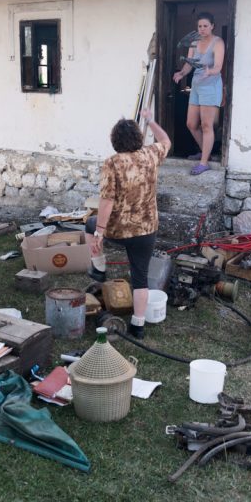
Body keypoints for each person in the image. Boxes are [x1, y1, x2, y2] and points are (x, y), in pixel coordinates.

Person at [85, 109, 171, 339]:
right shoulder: (151, 155)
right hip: (146, 229)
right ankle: (138, 326)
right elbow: (165, 140)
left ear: (115, 141)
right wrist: (151, 120)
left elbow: (107, 199)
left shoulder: (112, 163)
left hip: (119, 229)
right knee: (140, 277)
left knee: (88, 224)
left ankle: (99, 267)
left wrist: (99, 233)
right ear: (138, 138)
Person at [172, 12, 225, 176]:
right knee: (191, 124)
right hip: (196, 86)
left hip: (211, 86)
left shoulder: (218, 42)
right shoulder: (194, 42)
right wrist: (181, 73)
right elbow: (190, 64)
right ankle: (206, 153)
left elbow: (218, 66)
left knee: (206, 125)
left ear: (212, 26)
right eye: (200, 26)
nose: (202, 29)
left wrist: (210, 71)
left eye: (205, 26)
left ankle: (204, 162)